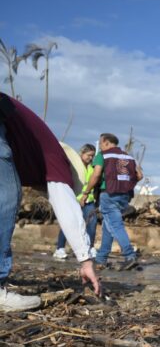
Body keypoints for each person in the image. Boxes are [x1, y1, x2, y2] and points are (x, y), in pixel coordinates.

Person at [1, 93, 101, 311]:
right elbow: (67, 209)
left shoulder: (31, 144)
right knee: (6, 196)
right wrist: (85, 260)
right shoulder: (56, 159)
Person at [81, 133, 142, 268]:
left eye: (101, 143)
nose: (100, 146)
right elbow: (139, 175)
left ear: (106, 142)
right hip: (124, 195)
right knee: (108, 225)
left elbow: (96, 174)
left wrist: (86, 192)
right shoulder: (128, 156)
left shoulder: (103, 155)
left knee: (115, 225)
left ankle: (129, 255)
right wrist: (127, 186)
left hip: (109, 194)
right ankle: (101, 258)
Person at [53, 144, 99, 260]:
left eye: (92, 156)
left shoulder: (92, 168)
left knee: (92, 223)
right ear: (81, 153)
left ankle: (90, 248)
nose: (91, 158)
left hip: (88, 200)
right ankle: (60, 248)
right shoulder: (73, 166)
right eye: (89, 155)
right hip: (74, 199)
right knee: (68, 223)